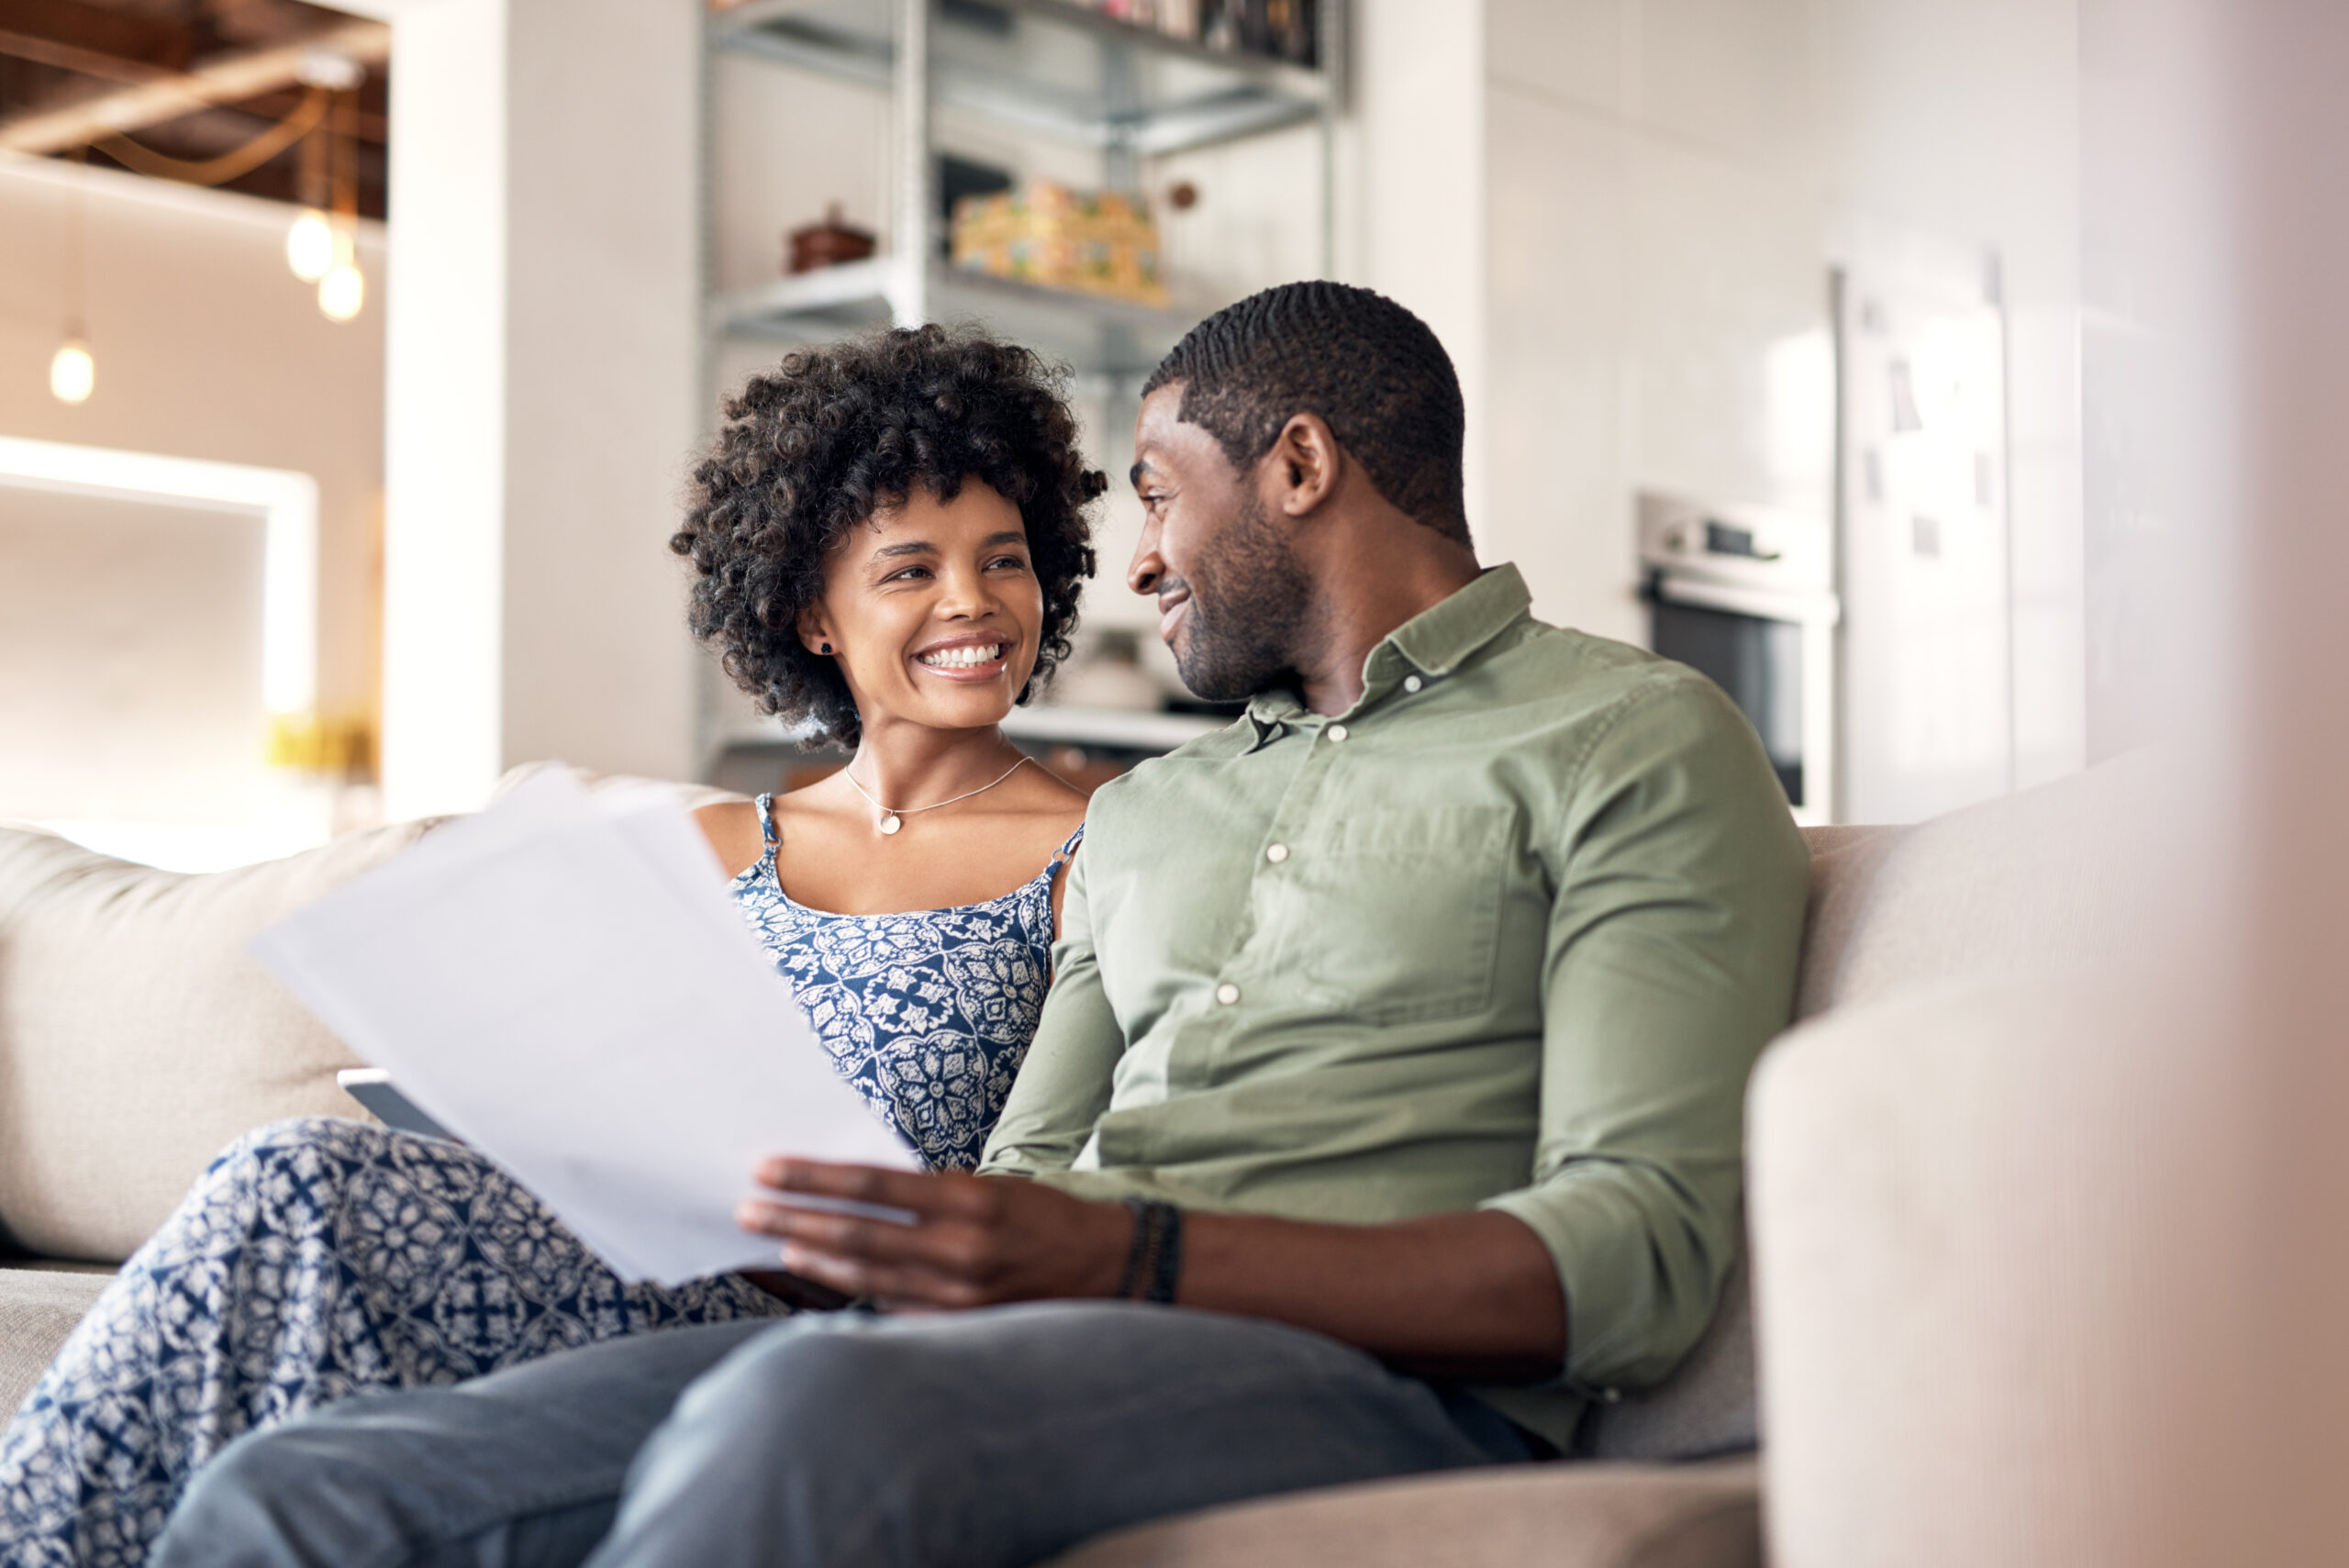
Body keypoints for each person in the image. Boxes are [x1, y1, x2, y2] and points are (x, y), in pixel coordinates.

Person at [149, 282, 1812, 1568]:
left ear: (1299, 466)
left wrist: (1126, 1253)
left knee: (815, 1419)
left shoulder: (1631, 741)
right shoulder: (1157, 813)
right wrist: (835, 1215)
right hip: (1010, 1341)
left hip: (1373, 1380)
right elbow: (1020, 1189)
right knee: (313, 1487)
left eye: (1157, 495)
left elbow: (1639, 1260)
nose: (1141, 561)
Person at [0, 324, 1101, 1568]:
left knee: (301, 1186)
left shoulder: (1091, 847)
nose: (972, 601)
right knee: (291, 1203)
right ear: (811, 615)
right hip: (612, 1257)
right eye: (911, 570)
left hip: (823, 1311)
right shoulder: (707, 844)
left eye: (1003, 560)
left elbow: (1056, 1185)